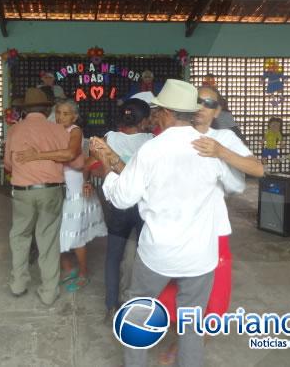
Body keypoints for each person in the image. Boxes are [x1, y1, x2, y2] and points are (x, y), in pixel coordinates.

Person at [92, 79, 245, 367]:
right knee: (191, 325)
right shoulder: (210, 148)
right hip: (201, 255)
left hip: (158, 254)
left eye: (158, 110)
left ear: (166, 112)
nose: (156, 115)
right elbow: (235, 184)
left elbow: (123, 198)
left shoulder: (152, 150)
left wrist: (108, 170)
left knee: (138, 316)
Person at [157, 85, 263, 364]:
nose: (201, 107)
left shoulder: (223, 136)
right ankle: (184, 340)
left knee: (212, 299)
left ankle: (185, 347)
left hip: (212, 229)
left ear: (217, 111)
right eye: (197, 101)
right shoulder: (175, 134)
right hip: (175, 229)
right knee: (173, 291)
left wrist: (220, 152)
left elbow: (258, 169)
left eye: (208, 103)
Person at [15, 100, 106, 292]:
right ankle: (68, 267)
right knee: (57, 232)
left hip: (74, 188)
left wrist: (37, 155)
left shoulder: (75, 131)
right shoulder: (52, 129)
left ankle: (83, 272)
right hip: (56, 187)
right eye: (58, 113)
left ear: (74, 117)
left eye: (66, 114)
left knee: (75, 233)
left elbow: (71, 155)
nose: (61, 117)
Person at [4, 88, 75, 306]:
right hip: (51, 190)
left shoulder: (15, 130)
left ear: (25, 110)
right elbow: (68, 158)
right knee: (48, 239)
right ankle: (48, 292)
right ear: (47, 109)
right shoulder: (59, 130)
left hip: (23, 191)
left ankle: (18, 284)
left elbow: (7, 164)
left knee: (20, 236)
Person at [90, 98, 154, 323]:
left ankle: (111, 305)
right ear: (145, 121)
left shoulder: (109, 138)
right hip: (143, 206)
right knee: (143, 255)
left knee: (113, 255)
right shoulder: (151, 140)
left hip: (118, 204)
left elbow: (96, 165)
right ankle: (136, 304)